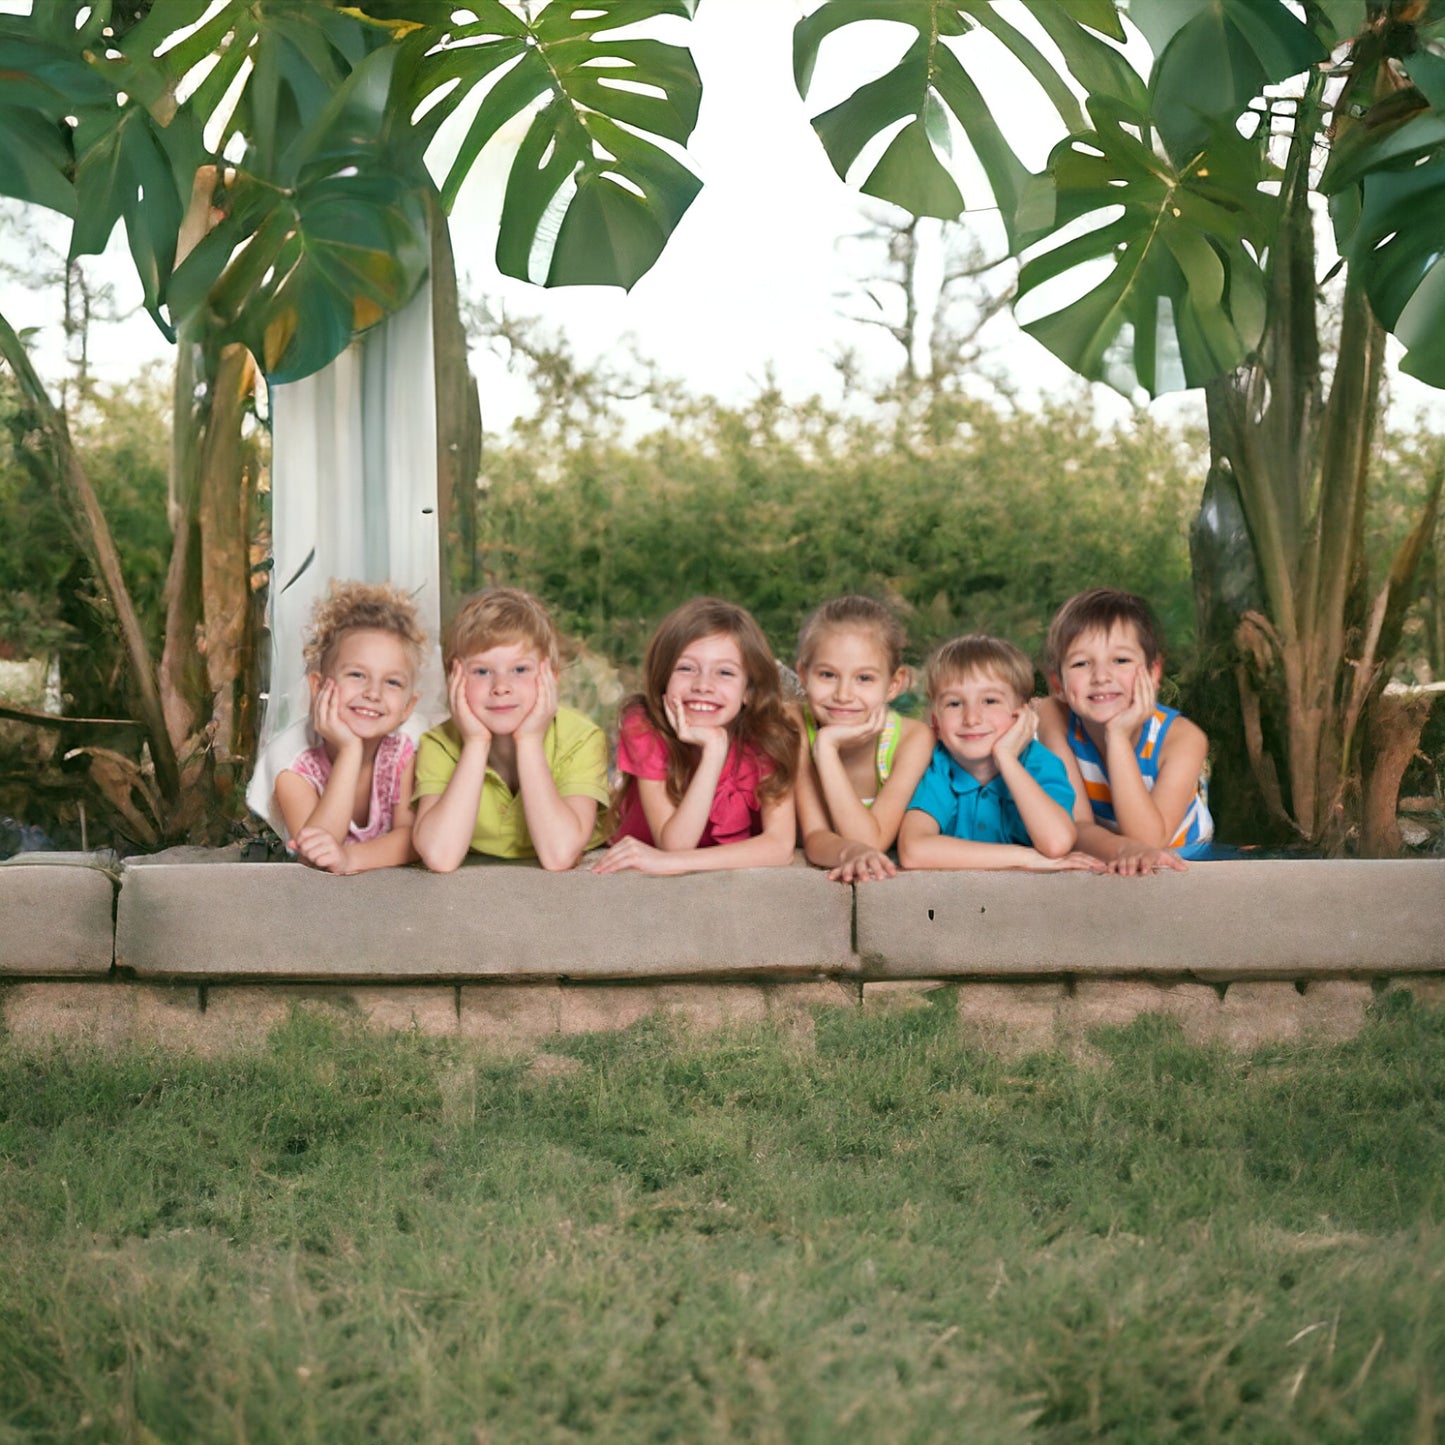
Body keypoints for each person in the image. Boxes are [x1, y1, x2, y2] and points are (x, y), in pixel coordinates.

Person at [594, 597, 798, 875]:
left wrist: (669, 864)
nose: (703, 685)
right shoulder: (644, 724)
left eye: (725, 672)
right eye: (686, 668)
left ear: (749, 691)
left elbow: (780, 846)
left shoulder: (768, 734)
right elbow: (676, 845)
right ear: (664, 678)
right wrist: (714, 752)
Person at [412, 587, 609, 871]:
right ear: (454, 680)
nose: (501, 687)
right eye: (482, 671)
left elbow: (559, 855)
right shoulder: (438, 744)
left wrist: (529, 740)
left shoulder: (582, 738)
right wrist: (475, 743)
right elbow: (440, 856)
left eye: (519, 670)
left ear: (550, 679)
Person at [1036, 587, 1213, 873]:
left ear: (1153, 672)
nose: (1101, 677)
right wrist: (1120, 849)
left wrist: (1117, 737)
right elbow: (1076, 825)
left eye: (1121, 660)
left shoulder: (1182, 739)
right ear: (1058, 685)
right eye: (1081, 663)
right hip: (1113, 852)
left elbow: (1149, 842)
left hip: (1189, 860)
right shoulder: (1054, 718)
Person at [897, 634, 1101, 872]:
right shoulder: (939, 767)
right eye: (954, 703)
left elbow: (1056, 843)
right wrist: (1026, 858)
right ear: (936, 723)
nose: (971, 718)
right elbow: (913, 851)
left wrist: (1007, 759)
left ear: (1022, 715)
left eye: (990, 701)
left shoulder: (1040, 764)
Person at [273, 580, 427, 874]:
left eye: (392, 682)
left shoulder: (403, 756)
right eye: (357, 674)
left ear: (408, 707)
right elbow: (316, 857)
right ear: (318, 686)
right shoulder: (293, 771)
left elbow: (411, 838)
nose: (373, 693)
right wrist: (350, 750)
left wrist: (350, 859)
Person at [791, 596, 934, 882]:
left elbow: (871, 840)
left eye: (864, 678)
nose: (843, 694)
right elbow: (816, 835)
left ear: (894, 684)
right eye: (828, 674)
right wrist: (826, 748)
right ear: (804, 675)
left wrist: (828, 749)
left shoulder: (912, 738)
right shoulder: (792, 724)